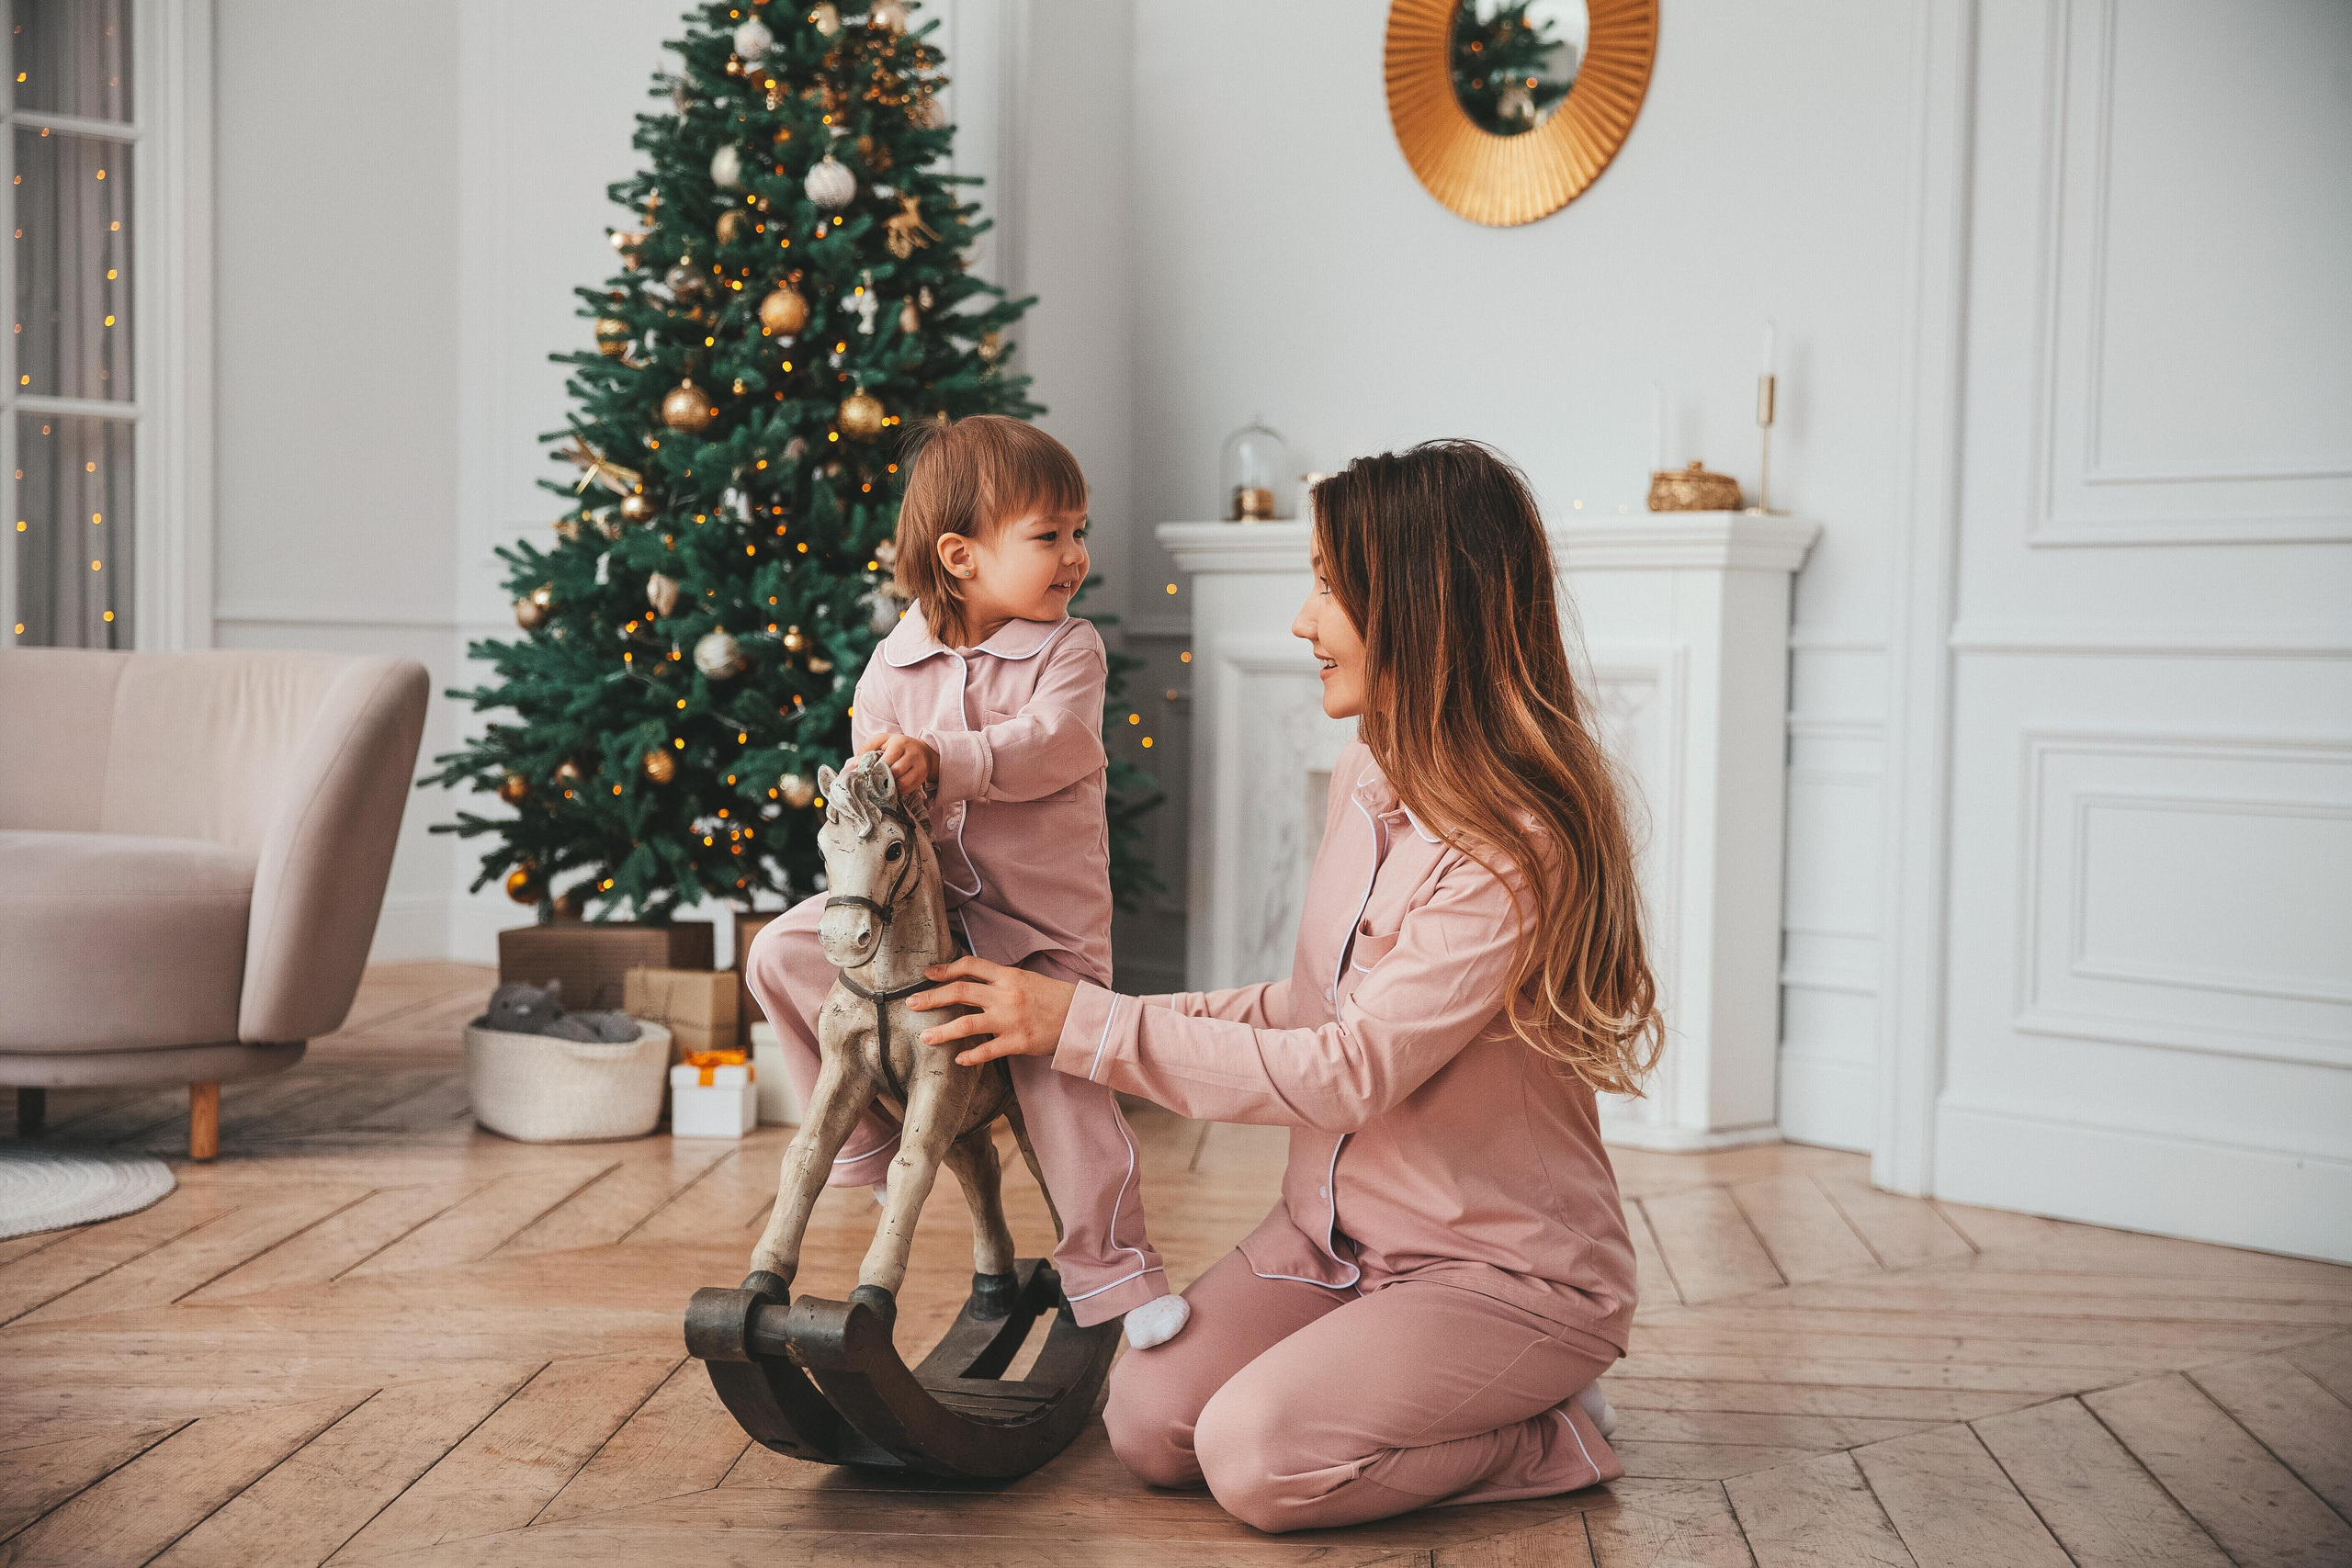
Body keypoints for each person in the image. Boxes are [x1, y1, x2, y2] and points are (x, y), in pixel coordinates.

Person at [906, 440, 1661, 1532]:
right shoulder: (1372, 768)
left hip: (1505, 1276)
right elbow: (1313, 1010)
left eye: (1325, 587)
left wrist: (1089, 1028)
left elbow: (1348, 1073)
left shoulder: (1513, 851)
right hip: (1333, 1245)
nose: (1302, 623)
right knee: (1151, 1423)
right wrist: (1068, 1022)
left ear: (1416, 603)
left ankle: (1555, 1428)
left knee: (1257, 1460)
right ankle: (1376, 1372)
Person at [743, 414, 1191, 1351]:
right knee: (778, 951)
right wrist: (876, 786)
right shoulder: (888, 671)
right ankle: (866, 1142)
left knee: (1063, 1079)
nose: (1073, 556)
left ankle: (1114, 1271)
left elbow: (1056, 745)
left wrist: (942, 760)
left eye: (1080, 531)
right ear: (959, 556)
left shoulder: (1068, 650)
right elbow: (869, 807)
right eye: (1048, 535)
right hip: (924, 923)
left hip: (1036, 927)